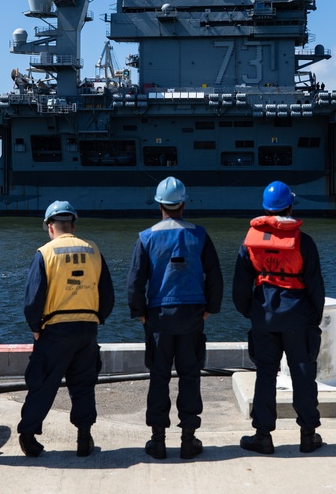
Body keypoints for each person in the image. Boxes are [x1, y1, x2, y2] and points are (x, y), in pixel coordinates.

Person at [127, 177, 223, 460]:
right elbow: (215, 276)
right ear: (183, 203)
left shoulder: (146, 237)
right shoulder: (200, 235)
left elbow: (135, 281)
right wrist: (210, 308)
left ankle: (158, 441)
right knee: (190, 376)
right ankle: (188, 439)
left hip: (158, 316)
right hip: (192, 315)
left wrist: (140, 312)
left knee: (158, 377)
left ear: (159, 205)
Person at [233, 181, 325, 455]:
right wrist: (313, 318)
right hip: (298, 316)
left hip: (264, 316)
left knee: (265, 375)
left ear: (265, 209)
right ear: (290, 206)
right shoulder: (304, 242)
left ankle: (263, 435)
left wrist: (252, 311)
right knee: (303, 374)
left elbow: (240, 289)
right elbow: (316, 287)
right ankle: (308, 435)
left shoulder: (250, 242)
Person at [17, 200, 115, 458]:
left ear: (50, 227)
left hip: (54, 331)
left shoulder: (45, 253)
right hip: (87, 330)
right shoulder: (94, 250)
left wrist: (35, 328)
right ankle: (84, 437)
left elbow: (32, 299)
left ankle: (28, 436)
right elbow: (107, 295)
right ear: (73, 224)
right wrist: (96, 320)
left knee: (42, 384)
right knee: (83, 385)